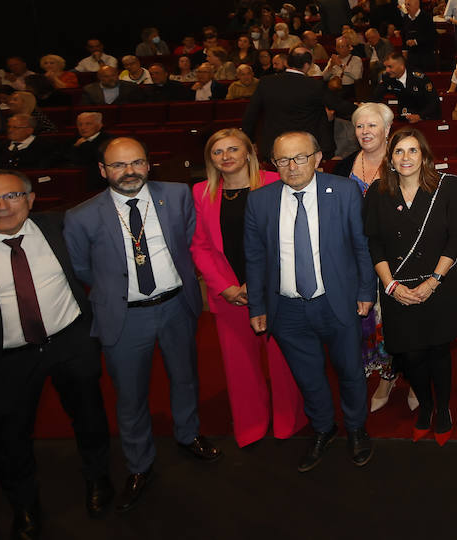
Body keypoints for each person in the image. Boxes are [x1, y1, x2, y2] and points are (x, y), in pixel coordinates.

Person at [64, 137, 219, 512]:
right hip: (125, 316)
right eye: (118, 165)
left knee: (185, 377)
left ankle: (188, 434)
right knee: (131, 396)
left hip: (176, 307)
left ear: (149, 165)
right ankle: (139, 464)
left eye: (136, 163)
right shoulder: (81, 216)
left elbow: (186, 243)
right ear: (102, 171)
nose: (129, 171)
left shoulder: (178, 195)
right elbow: (83, 269)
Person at [244, 131, 376, 472]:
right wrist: (257, 306)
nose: (292, 166)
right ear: (273, 163)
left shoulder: (344, 191)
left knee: (349, 371)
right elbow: (255, 257)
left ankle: (356, 429)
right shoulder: (259, 200)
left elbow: (362, 246)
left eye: (300, 157)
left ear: (318, 158)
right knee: (308, 376)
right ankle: (323, 428)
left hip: (338, 302)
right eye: (282, 160)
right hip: (286, 309)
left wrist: (366, 292)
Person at [0, 170, 114, 535]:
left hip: (70, 340)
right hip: (9, 357)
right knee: (10, 437)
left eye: (11, 196)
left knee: (89, 417)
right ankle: (24, 505)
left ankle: (98, 479)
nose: (1, 207)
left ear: (31, 199)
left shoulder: (59, 226)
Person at [189, 129, 305, 448]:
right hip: (229, 294)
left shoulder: (274, 182)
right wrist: (224, 286)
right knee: (239, 365)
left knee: (283, 360)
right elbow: (199, 246)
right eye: (217, 151)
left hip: (276, 288)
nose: (226, 156)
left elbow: (291, 237)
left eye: (232, 149)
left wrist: (259, 283)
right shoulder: (201, 192)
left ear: (249, 153)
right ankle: (251, 424)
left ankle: (288, 419)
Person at [364, 128, 457, 445]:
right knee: (411, 355)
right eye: (399, 152)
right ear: (391, 158)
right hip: (398, 289)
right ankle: (425, 406)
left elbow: (455, 240)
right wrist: (391, 286)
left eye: (413, 151)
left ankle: (443, 410)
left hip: (438, 285)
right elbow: (375, 245)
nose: (406, 157)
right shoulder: (378, 193)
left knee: (439, 350)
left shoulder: (446, 187)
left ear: (425, 156)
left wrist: (434, 281)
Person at [330, 103, 409, 412]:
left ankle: (402, 377)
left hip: (396, 257)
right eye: (360, 126)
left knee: (396, 320)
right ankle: (378, 373)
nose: (365, 131)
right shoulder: (343, 166)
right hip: (354, 258)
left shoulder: (404, 161)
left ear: (387, 129)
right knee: (366, 319)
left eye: (372, 125)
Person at [242, 48, 353, 160]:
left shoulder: (266, 82)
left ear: (287, 62)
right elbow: (340, 106)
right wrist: (361, 107)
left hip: (274, 148)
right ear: (307, 65)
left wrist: (250, 141)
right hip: (306, 149)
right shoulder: (315, 86)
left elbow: (250, 115)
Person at [374, 52, 439, 124]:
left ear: (401, 66)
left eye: (390, 67)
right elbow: (376, 96)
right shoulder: (387, 78)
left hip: (424, 118)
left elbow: (433, 102)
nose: (387, 70)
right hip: (403, 119)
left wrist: (419, 116)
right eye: (385, 67)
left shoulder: (419, 78)